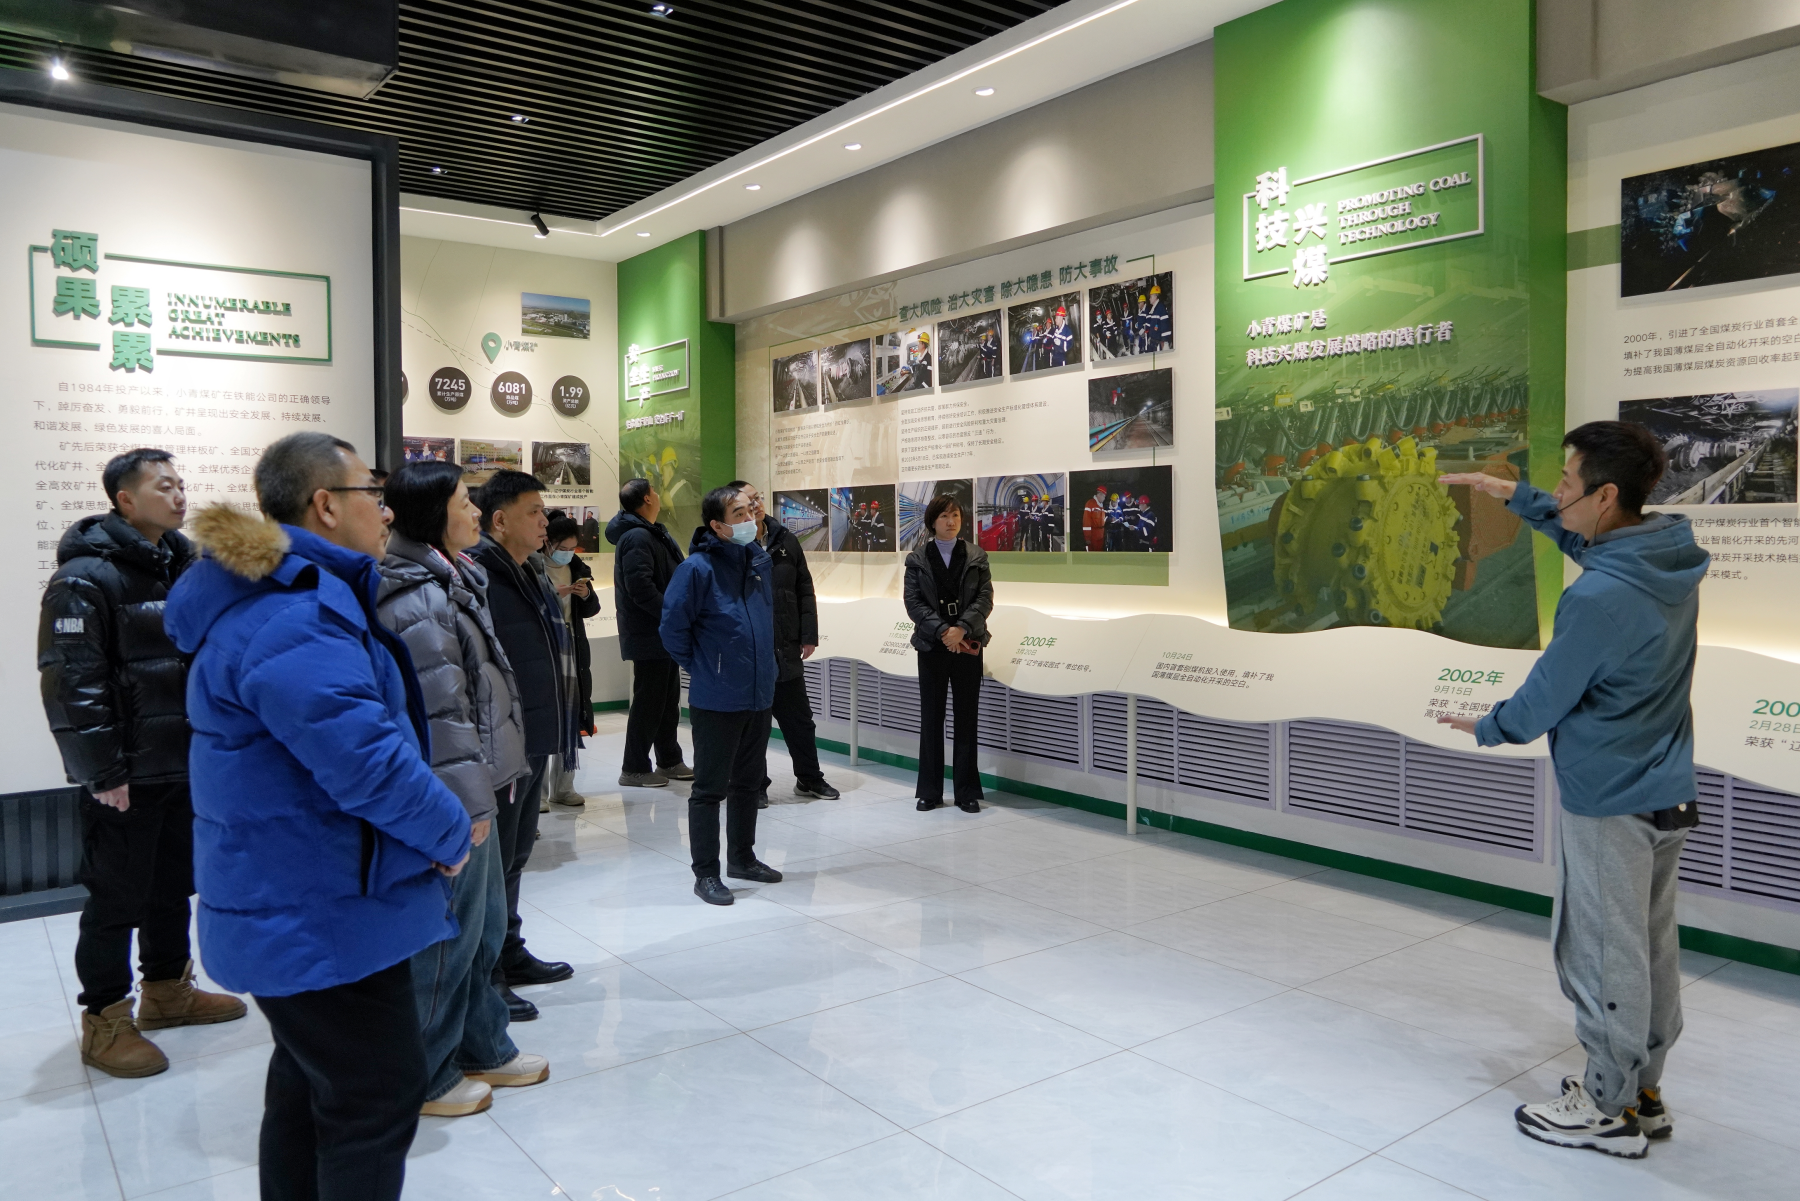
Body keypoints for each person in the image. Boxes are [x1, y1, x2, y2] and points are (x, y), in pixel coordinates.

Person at [164, 434, 472, 1201]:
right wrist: (448, 831)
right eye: (374, 491)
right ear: (327, 504)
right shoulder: (294, 615)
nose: (387, 508)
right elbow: (366, 761)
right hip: (320, 909)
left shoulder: (285, 600)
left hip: (307, 894)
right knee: (375, 1092)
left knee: (311, 1085)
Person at [1439, 421, 1709, 1161]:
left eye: (1565, 482)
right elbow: (1591, 547)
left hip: (1609, 798)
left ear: (1606, 494)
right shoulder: (1667, 559)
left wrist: (1487, 724)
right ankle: (1644, 1089)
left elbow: (1544, 699)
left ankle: (1605, 1106)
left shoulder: (1598, 599)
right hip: (1666, 789)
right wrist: (1517, 497)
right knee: (1650, 944)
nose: (1557, 491)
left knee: (1602, 950)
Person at [38, 448, 246, 1080]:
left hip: (183, 761)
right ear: (125, 500)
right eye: (164, 486)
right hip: (126, 772)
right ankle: (105, 1019)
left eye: (181, 484)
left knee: (172, 883)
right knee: (116, 897)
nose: (179, 495)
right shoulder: (83, 578)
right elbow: (72, 683)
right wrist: (103, 771)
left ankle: (167, 990)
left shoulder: (185, 565)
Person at [377, 461, 547, 1118]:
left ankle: (482, 1045)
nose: (476, 512)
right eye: (462, 502)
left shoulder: (454, 575)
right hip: (456, 795)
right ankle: (428, 1071)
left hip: (482, 782)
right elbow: (441, 713)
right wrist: (468, 804)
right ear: (431, 514)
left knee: (483, 929)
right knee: (448, 939)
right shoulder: (417, 596)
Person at [470, 471, 577, 1021]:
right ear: (500, 519)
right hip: (504, 739)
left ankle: (510, 952)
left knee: (515, 857)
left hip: (532, 731)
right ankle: (488, 972)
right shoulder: (481, 575)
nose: (544, 521)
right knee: (495, 863)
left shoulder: (527, 570)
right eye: (534, 511)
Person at [660, 483, 783, 905]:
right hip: (717, 697)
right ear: (717, 525)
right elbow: (672, 630)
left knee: (748, 783)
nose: (749, 519)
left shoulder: (758, 560)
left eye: (750, 510)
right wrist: (703, 667)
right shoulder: (696, 569)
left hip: (758, 692)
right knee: (710, 789)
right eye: (739, 514)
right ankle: (706, 874)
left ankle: (742, 858)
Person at [731, 482, 840, 804]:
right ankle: (755, 785)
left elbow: (804, 588)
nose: (756, 505)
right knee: (755, 724)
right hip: (751, 652)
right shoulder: (732, 545)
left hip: (785, 647)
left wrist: (808, 635)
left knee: (799, 721)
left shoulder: (785, 539)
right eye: (748, 502)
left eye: (757, 498)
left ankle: (809, 778)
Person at [903, 494, 994, 813]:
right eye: (944, 516)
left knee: (966, 718)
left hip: (967, 645)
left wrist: (962, 629)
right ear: (932, 521)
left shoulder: (976, 555)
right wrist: (944, 631)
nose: (951, 521)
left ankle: (966, 791)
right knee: (932, 718)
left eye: (955, 515)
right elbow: (913, 603)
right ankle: (930, 791)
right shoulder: (917, 559)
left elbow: (985, 599)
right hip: (932, 646)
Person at [606, 478, 693, 787]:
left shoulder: (651, 532)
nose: (657, 495)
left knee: (667, 702)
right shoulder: (637, 537)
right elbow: (640, 588)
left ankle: (669, 760)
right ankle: (634, 768)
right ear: (646, 499)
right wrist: (672, 616)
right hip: (649, 633)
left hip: (662, 633)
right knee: (649, 703)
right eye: (654, 491)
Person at [543, 512, 600, 807]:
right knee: (542, 717)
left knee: (569, 715)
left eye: (571, 547)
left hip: (572, 644)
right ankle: (538, 793)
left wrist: (585, 594)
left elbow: (592, 609)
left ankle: (564, 788)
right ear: (547, 543)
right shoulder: (532, 566)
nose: (567, 553)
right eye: (562, 548)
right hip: (543, 643)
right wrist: (552, 595)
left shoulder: (577, 567)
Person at [1082, 484, 1108, 552]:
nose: (1104, 498)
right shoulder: (1090, 504)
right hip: (1093, 536)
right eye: (1104, 496)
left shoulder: (1101, 506)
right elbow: (1086, 522)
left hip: (1100, 536)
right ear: (1100, 494)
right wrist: (1087, 537)